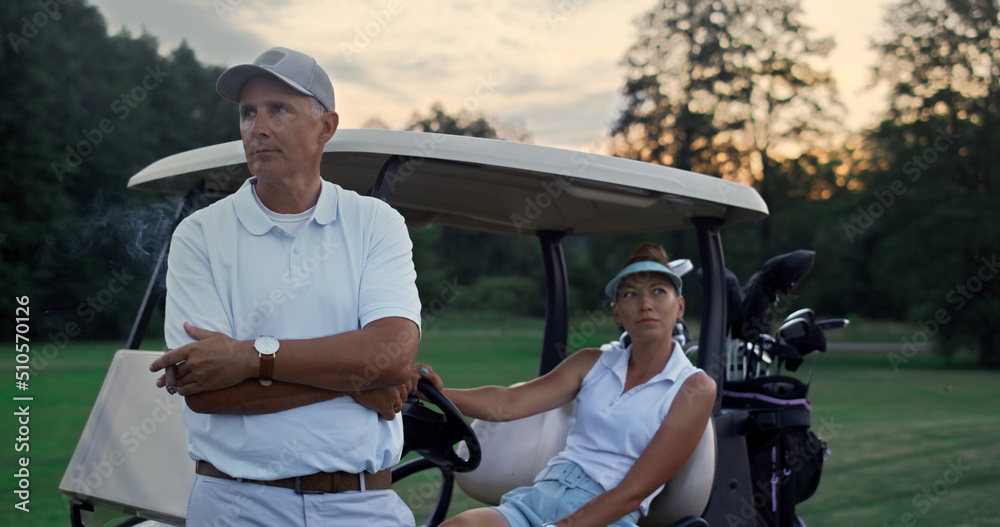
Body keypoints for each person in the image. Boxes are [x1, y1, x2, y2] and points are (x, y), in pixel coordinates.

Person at [148, 46, 421, 526]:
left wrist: (248, 358)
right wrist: (357, 383)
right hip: (238, 504)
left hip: (363, 505)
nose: (258, 127)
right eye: (248, 112)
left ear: (326, 127)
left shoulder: (377, 222)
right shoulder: (200, 234)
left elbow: (394, 355)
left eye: (279, 109)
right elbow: (206, 392)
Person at [413, 242, 716, 527]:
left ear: (679, 306)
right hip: (540, 497)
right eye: (630, 294)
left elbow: (633, 492)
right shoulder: (592, 362)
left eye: (659, 291)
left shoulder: (694, 387)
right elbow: (508, 403)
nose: (645, 304)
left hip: (606, 514)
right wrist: (433, 393)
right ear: (617, 313)